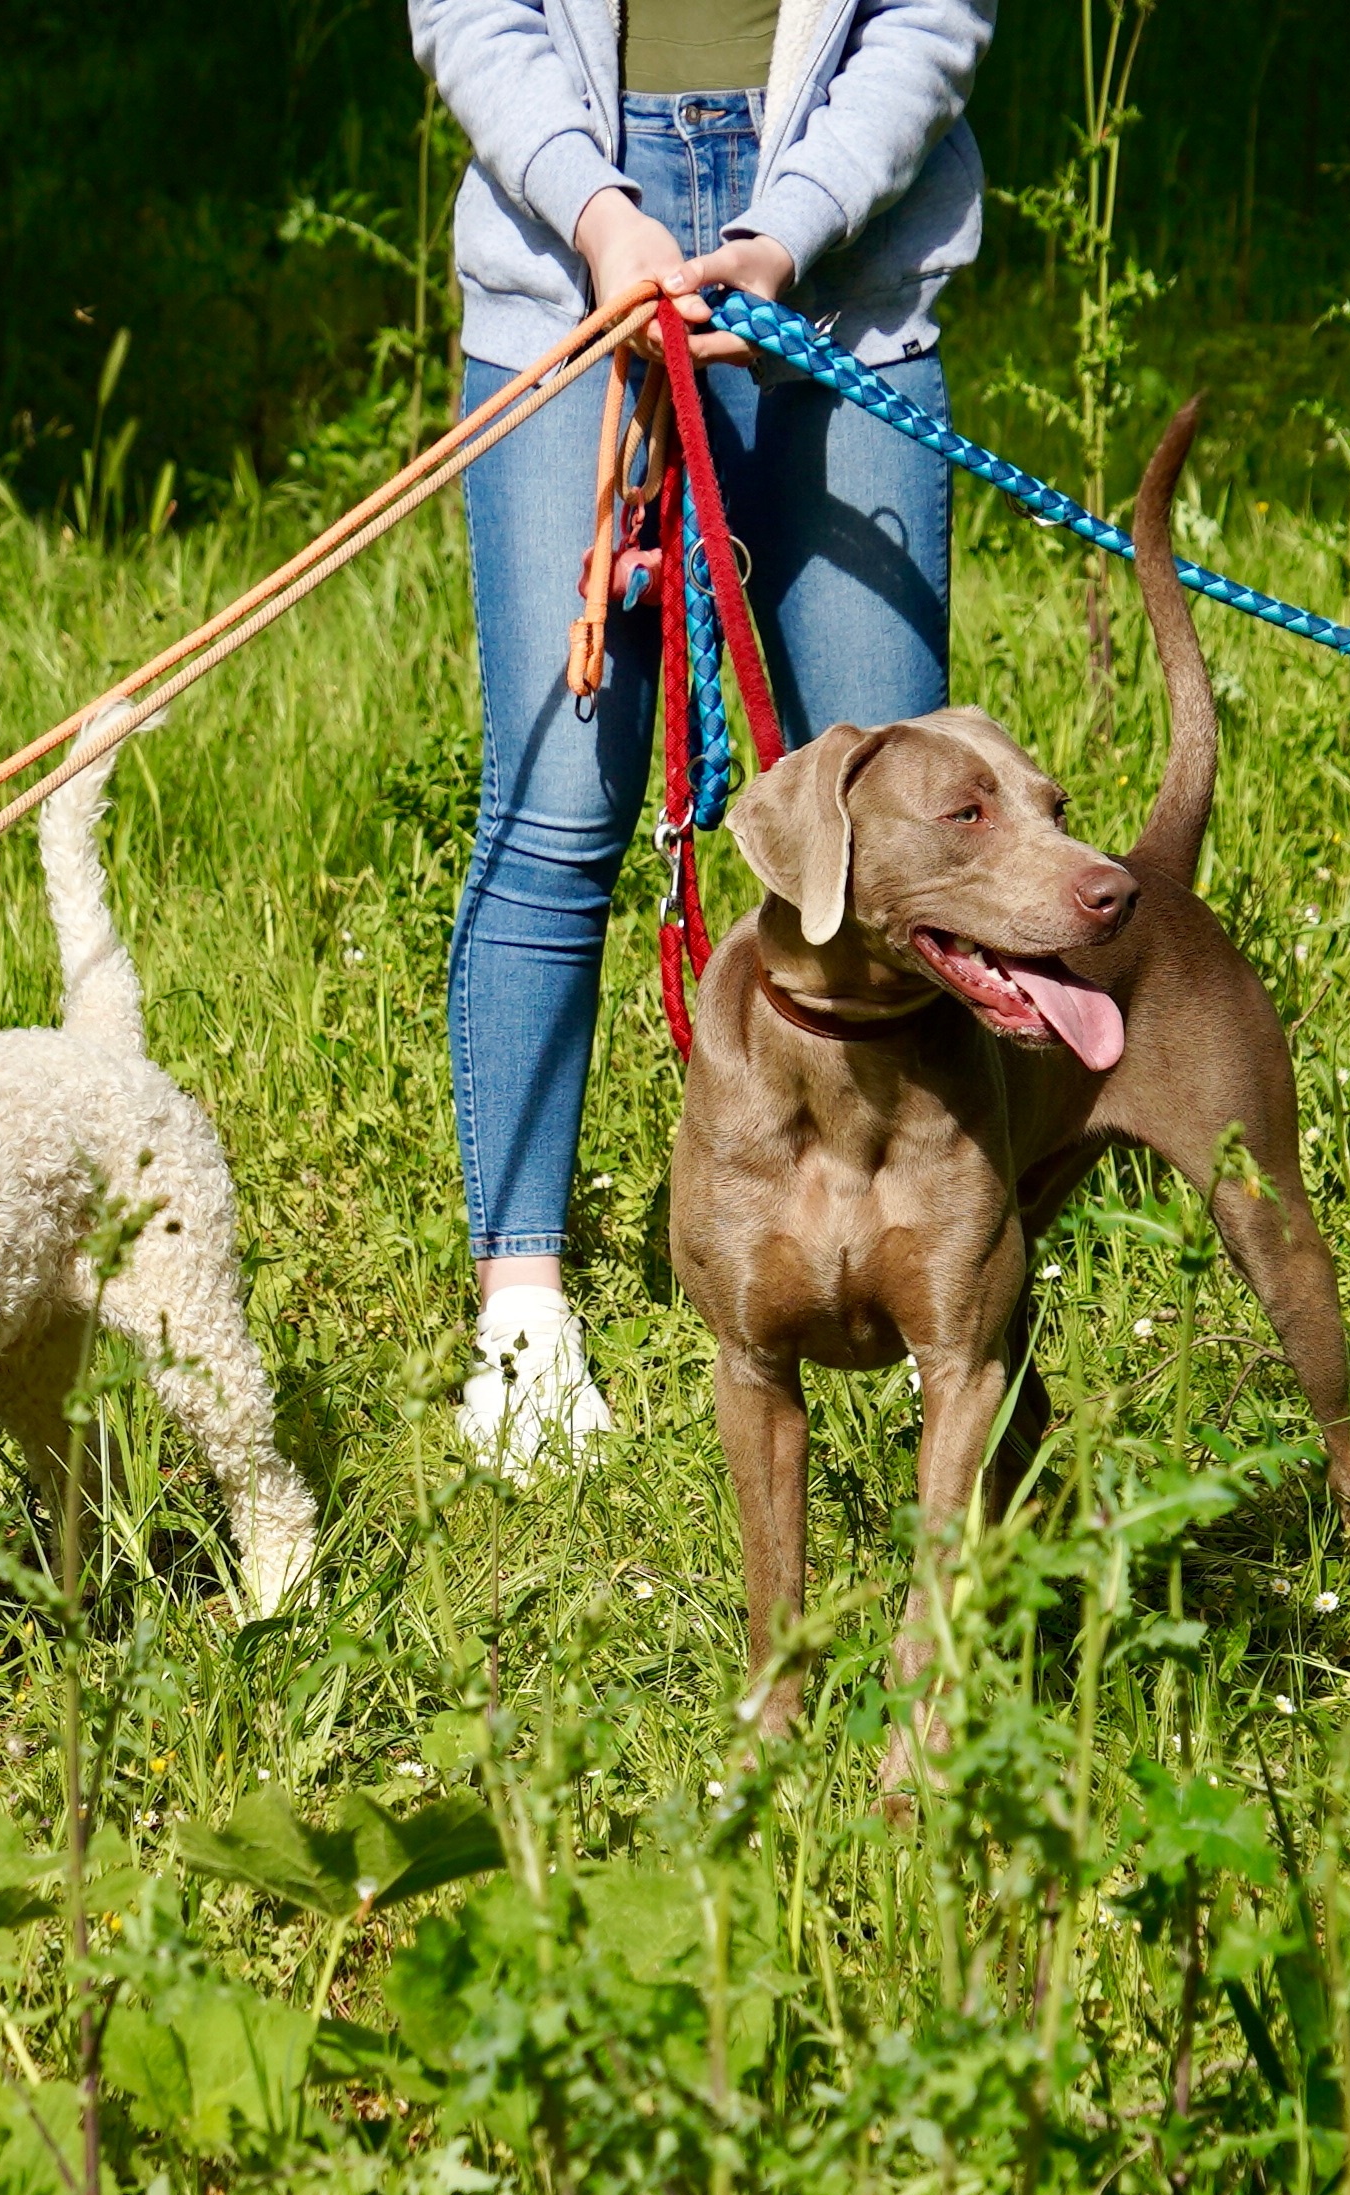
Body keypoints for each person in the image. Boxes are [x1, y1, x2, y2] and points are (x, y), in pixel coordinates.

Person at [413, 0, 993, 1460]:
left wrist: (790, 227)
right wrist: (601, 211)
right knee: (554, 807)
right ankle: (523, 1321)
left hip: (845, 272)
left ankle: (918, 1254)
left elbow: (927, 19)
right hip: (568, 269)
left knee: (894, 828)